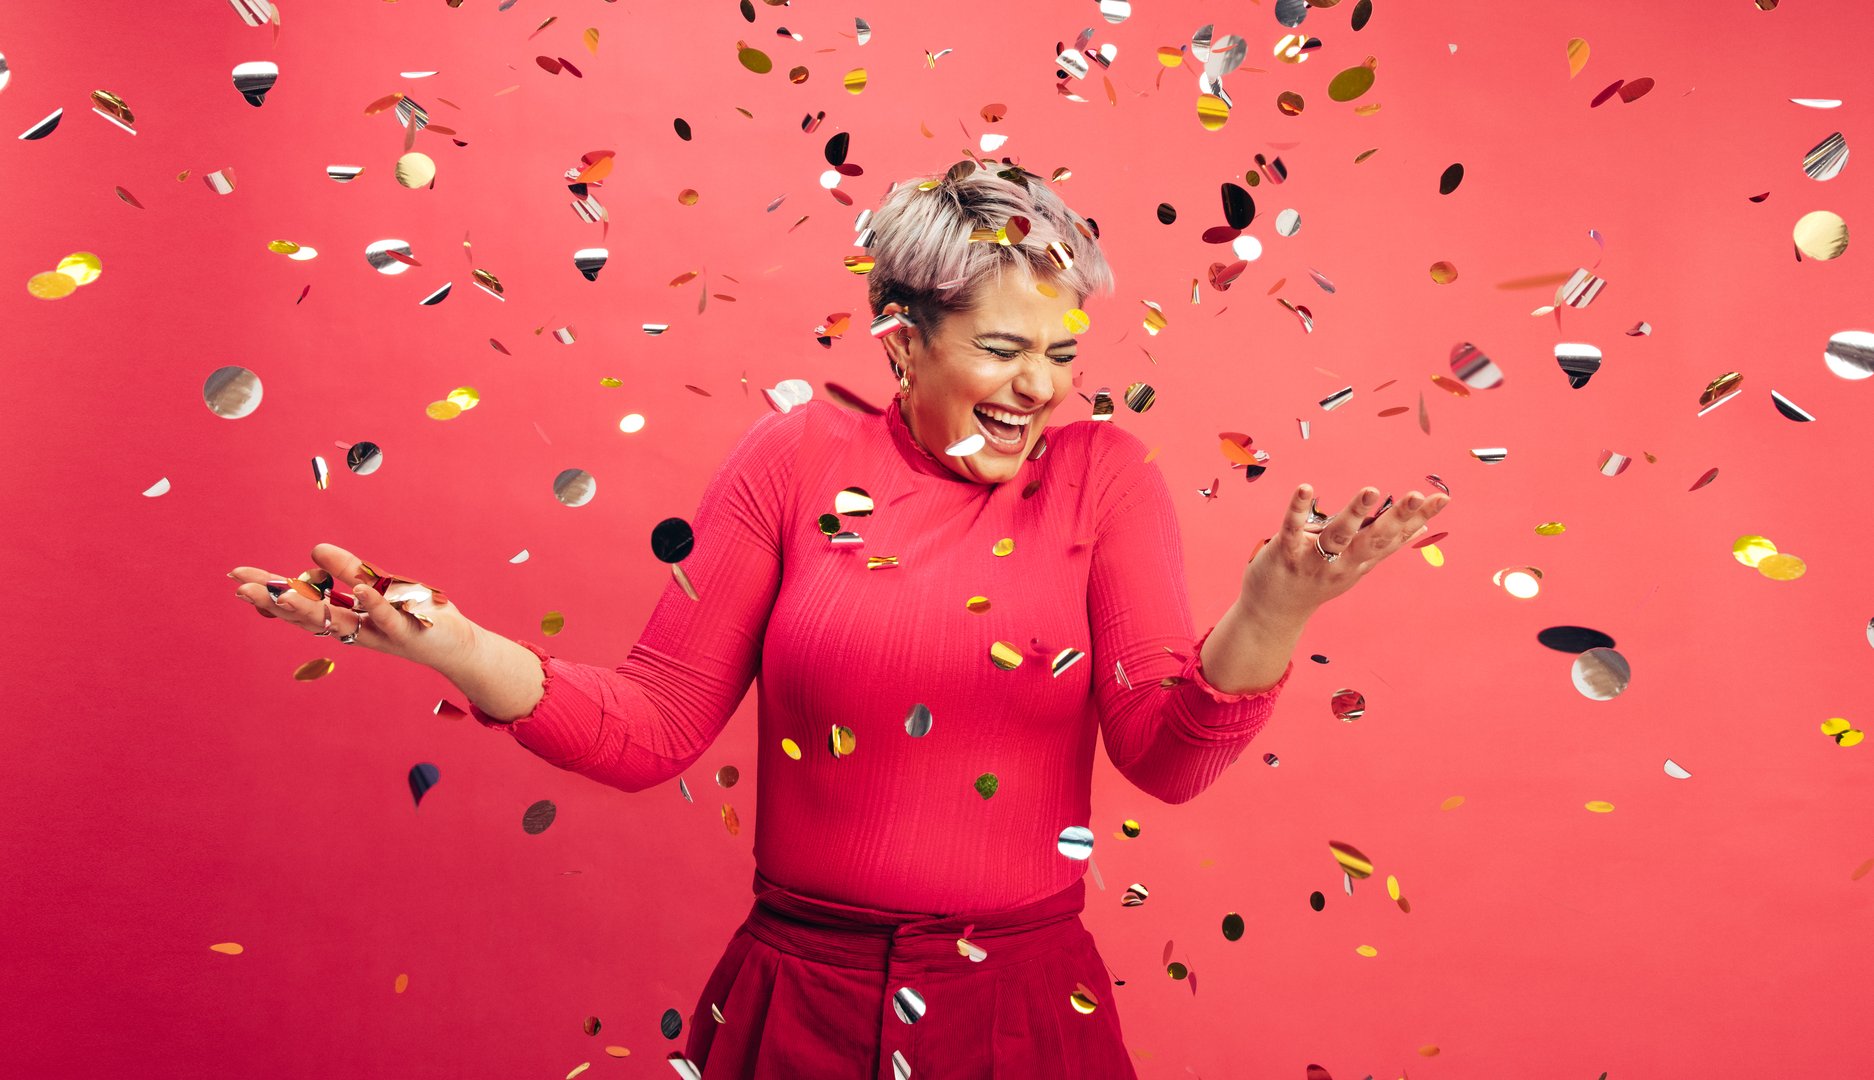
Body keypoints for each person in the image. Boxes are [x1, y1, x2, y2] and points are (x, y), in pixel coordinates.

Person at [229, 159, 1449, 1079]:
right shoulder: (791, 458)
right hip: (791, 1000)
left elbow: (1164, 757)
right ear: (901, 342)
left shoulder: (1101, 476)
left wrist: (1272, 606)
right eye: (1006, 349)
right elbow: (653, 724)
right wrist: (447, 642)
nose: (1041, 386)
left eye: (1063, 351)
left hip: (1020, 1013)